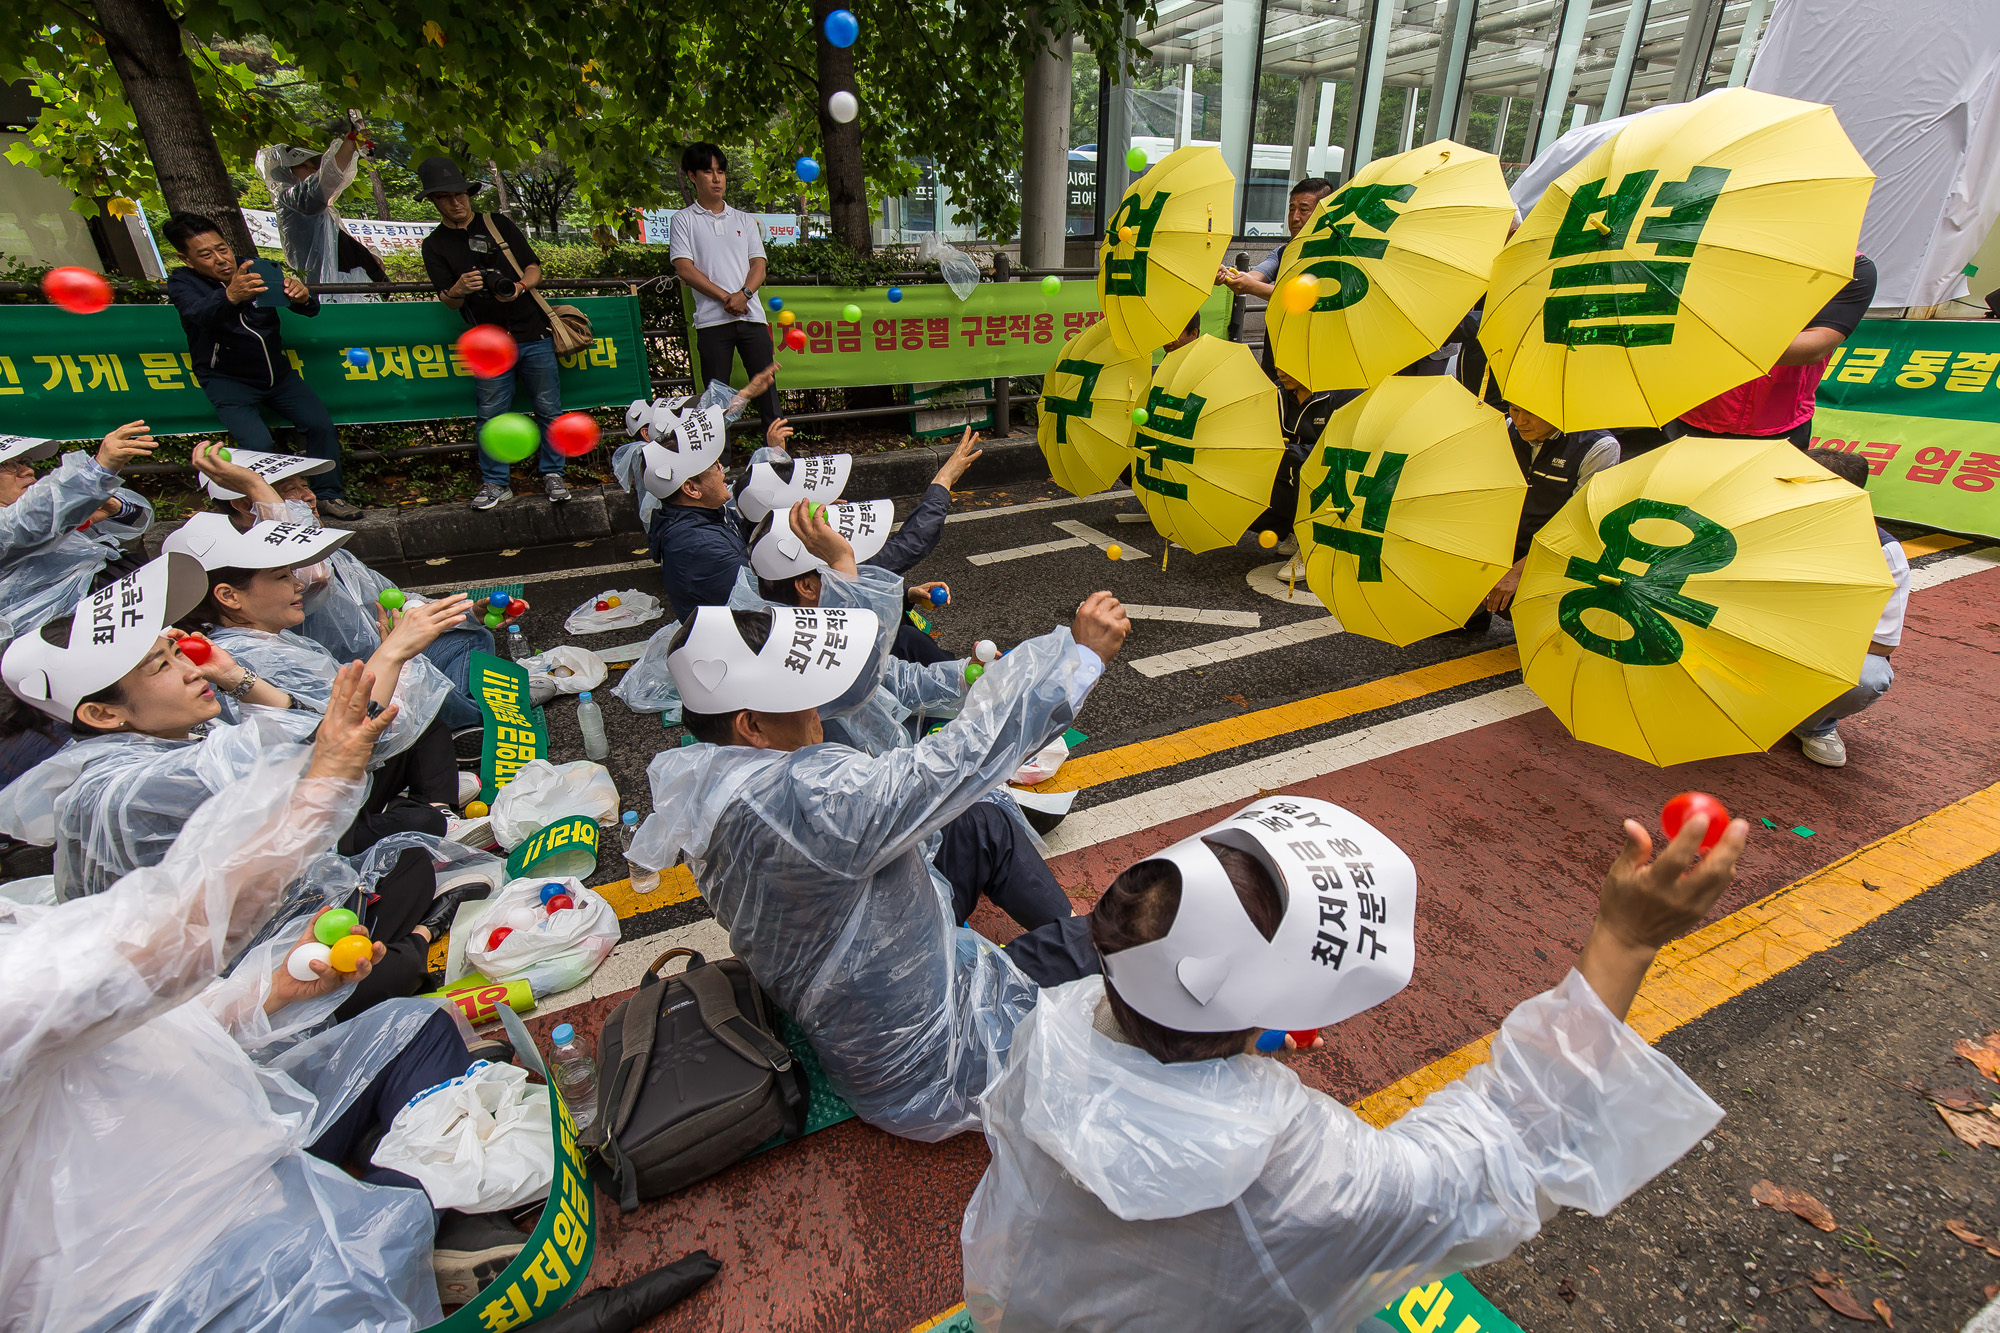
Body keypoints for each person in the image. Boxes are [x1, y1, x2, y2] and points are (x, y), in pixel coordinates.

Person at [960, 795, 1747, 1330]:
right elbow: (1505, 1144)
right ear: (1275, 1012)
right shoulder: (1303, 1177)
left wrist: (1232, 1032)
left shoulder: (1052, 1027)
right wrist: (1626, 937)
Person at [0, 664, 526, 1332]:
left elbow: (126, 1023)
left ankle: (423, 1204)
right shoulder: (114, 794)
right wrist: (325, 778)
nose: (190, 662)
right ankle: (415, 1207)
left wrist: (268, 991)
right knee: (367, 1252)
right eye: (163, 661)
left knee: (410, 1023)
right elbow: (180, 939)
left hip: (226, 1139)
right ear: (102, 713)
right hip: (161, 1272)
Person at [626, 534, 1130, 1140]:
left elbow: (897, 703)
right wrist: (1078, 660)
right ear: (752, 725)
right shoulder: (806, 801)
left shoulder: (721, 777)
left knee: (982, 823)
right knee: (1130, 929)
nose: (819, 713)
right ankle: (1081, 966)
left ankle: (1058, 943)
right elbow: (956, 760)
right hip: (932, 1053)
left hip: (869, 986)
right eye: (803, 701)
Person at [0, 553, 436, 901]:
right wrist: (394, 653)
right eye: (161, 667)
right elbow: (325, 749)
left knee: (407, 859)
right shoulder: (134, 784)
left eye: (176, 652)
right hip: (207, 985)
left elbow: (310, 737)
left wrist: (233, 676)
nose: (192, 671)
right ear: (101, 714)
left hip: (244, 924)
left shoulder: (161, 741)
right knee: (406, 865)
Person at [164, 505, 470, 855]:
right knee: (419, 825)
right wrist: (395, 654)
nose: (298, 584)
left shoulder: (266, 640)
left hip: (336, 779)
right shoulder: (247, 653)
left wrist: (394, 654)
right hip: (313, 814)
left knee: (423, 721)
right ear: (229, 596)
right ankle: (426, 816)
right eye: (281, 577)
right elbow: (347, 736)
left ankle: (435, 808)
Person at [196, 445, 496, 732]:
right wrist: (256, 486)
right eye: (290, 491)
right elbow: (313, 573)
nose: (309, 497)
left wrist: (466, 614)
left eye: (306, 486)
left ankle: (466, 718)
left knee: (467, 636)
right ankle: (472, 723)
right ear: (246, 504)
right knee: (414, 682)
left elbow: (393, 600)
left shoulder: (331, 552)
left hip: (381, 654)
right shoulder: (258, 568)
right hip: (354, 677)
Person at [162, 212, 361, 520]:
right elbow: (195, 314)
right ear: (186, 259)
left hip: (277, 375)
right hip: (227, 380)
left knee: (319, 425)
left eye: (222, 248)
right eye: (205, 254)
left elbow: (309, 310)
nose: (221, 259)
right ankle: (280, 507)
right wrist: (229, 296)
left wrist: (303, 297)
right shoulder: (182, 282)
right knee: (258, 445)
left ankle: (328, 496)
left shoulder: (255, 268)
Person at [416, 156, 570, 511]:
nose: (456, 202)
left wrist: (517, 287)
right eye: (446, 197)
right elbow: (448, 301)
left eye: (460, 194)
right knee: (490, 415)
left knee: (549, 409)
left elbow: (534, 268)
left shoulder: (497, 223)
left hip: (532, 331)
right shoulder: (434, 244)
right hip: (487, 342)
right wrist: (458, 288)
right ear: (434, 201)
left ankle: (553, 474)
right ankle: (496, 482)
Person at [1672, 253, 1879, 449]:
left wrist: (1706, 339)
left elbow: (1813, 347)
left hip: (1782, 422)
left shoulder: (1850, 268)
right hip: (1691, 412)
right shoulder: (1705, 252)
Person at [1791, 448, 1906, 768]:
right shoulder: (1766, 521)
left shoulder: (1882, 551)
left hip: (1816, 647)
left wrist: (1795, 634)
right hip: (1750, 632)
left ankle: (1813, 723)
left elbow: (1883, 642)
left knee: (1868, 676)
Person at [1478, 404, 1622, 623]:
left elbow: (1580, 522)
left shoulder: (1598, 447)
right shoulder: (1507, 429)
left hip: (1553, 550)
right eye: (1515, 410)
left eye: (1532, 413)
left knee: (1534, 626)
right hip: (1502, 539)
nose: (1520, 421)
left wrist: (1518, 572)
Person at [671, 143, 781, 428]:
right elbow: (685, 269)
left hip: (752, 317)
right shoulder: (682, 220)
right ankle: (719, 463)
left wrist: (743, 295)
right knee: (714, 400)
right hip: (711, 322)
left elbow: (759, 265)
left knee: (767, 389)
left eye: (720, 171)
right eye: (708, 172)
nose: (717, 178)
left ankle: (778, 454)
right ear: (692, 176)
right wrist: (726, 298)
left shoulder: (744, 220)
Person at [257, 123, 389, 302]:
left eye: (315, 166)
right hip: (331, 290)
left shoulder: (312, 208)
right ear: (285, 172)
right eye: (305, 166)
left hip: (344, 286)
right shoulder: (290, 199)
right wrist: (349, 144)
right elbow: (322, 185)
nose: (314, 171)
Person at [1254, 367, 1354, 553]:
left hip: (1331, 469)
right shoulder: (1278, 393)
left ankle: (1312, 546)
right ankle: (1295, 531)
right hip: (1291, 464)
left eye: (1288, 368)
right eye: (1277, 368)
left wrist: (1290, 452)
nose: (1281, 374)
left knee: (1305, 469)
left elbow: (1341, 448)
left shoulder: (1344, 394)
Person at [1216, 178, 1336, 303]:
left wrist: (1251, 286)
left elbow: (1302, 296)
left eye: (1303, 210)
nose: (1295, 218)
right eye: (1291, 210)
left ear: (1324, 213)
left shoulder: (1339, 257)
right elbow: (1255, 276)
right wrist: (1227, 276)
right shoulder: (1282, 252)